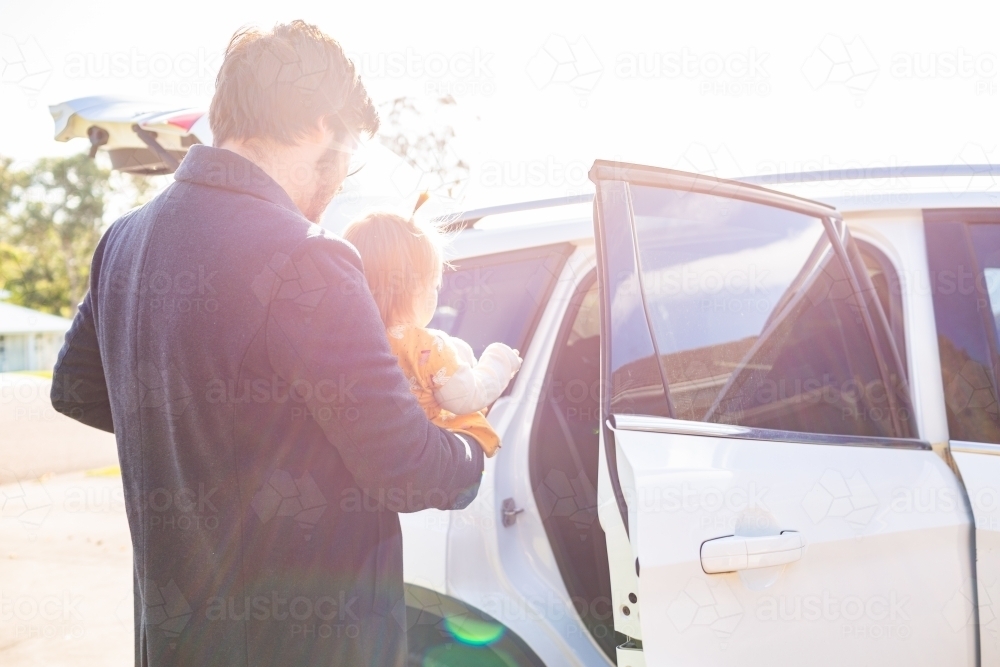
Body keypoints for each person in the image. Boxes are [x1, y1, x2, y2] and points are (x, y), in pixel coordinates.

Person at [50, 21, 484, 667]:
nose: (339, 180)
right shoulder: (306, 256)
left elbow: (78, 389)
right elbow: (409, 467)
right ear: (318, 123)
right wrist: (474, 437)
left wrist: (199, 435)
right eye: (345, 156)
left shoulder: (125, 239)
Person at [342, 212, 522, 457]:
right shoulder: (431, 347)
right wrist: (500, 361)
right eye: (434, 285)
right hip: (424, 457)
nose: (436, 295)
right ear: (415, 289)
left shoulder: (349, 340)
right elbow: (468, 397)